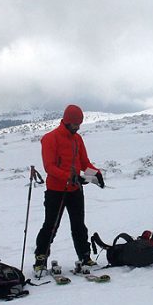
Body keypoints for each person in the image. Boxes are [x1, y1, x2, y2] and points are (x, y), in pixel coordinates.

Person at [33, 104, 104, 271]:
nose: (77, 127)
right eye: (75, 124)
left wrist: (95, 175)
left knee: (79, 225)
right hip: (55, 191)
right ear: (66, 121)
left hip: (75, 190)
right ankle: (40, 259)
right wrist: (70, 176)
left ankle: (85, 257)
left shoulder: (77, 139)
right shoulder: (50, 138)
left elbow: (84, 163)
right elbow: (49, 167)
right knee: (51, 225)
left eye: (79, 124)